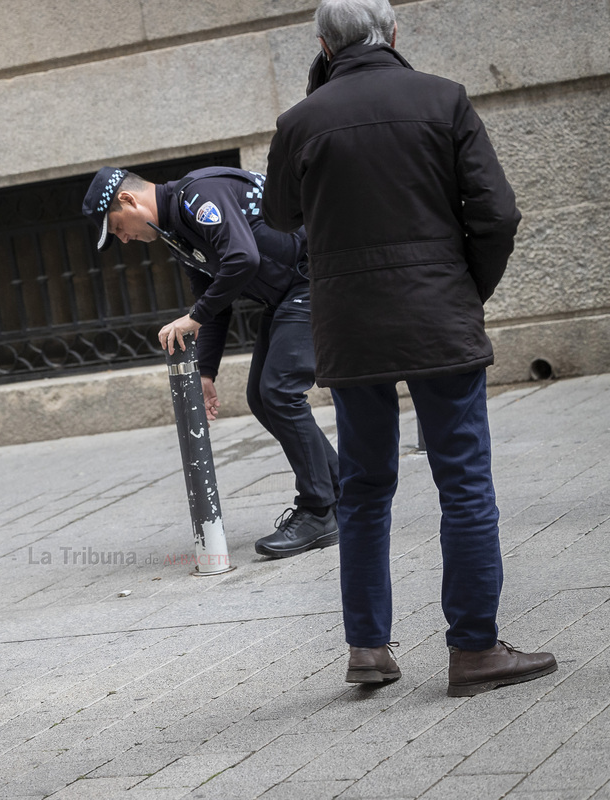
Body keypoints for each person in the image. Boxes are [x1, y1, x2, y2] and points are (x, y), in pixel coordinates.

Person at [263, 0, 557, 694]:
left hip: (351, 327)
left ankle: (368, 647)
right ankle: (474, 651)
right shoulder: (442, 98)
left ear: (324, 47)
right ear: (394, 35)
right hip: (437, 318)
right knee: (463, 480)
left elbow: (279, 216)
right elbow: (498, 212)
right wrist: (465, 289)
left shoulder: (300, 121)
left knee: (364, 487)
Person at [82, 166, 340, 558]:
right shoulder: (176, 231)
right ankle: (342, 489)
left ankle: (320, 509)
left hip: (316, 277)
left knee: (280, 391)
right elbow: (215, 305)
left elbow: (242, 259)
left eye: (118, 227)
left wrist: (193, 317)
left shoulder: (198, 195)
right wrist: (206, 372)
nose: (125, 239)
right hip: (289, 292)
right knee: (261, 395)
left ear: (128, 200)